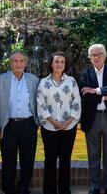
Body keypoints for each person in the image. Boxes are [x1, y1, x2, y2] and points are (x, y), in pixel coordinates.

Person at [79, 44, 107, 194]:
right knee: (93, 154)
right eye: (93, 55)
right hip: (92, 118)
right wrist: (106, 95)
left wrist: (96, 91)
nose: (97, 57)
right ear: (90, 58)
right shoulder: (85, 73)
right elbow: (85, 95)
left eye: (99, 54)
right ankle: (95, 185)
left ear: (105, 56)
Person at [0, 50, 40, 194]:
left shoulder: (34, 79)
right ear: (10, 63)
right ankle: (9, 189)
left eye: (21, 61)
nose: (18, 64)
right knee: (8, 160)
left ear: (25, 63)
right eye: (15, 61)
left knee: (28, 160)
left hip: (28, 124)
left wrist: (37, 123)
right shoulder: (1, 79)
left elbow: (39, 103)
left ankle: (23, 188)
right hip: (8, 125)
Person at [36, 52, 81, 194]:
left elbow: (77, 102)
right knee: (50, 159)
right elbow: (40, 104)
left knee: (65, 159)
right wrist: (53, 122)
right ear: (51, 64)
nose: (59, 64)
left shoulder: (72, 81)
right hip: (49, 127)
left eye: (62, 62)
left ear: (65, 64)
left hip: (69, 127)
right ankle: (49, 191)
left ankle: (64, 190)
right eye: (56, 61)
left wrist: (68, 121)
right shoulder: (43, 82)